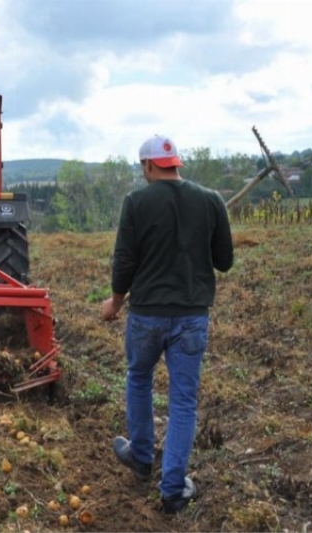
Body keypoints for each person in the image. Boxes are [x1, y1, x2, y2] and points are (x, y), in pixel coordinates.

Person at [101, 134, 233, 514]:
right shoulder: (211, 200)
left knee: (139, 377)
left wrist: (115, 302)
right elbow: (223, 261)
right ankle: (173, 490)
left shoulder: (136, 202)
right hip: (191, 316)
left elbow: (124, 260)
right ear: (176, 164)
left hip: (146, 316)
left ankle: (142, 456)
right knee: (183, 402)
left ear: (147, 166)